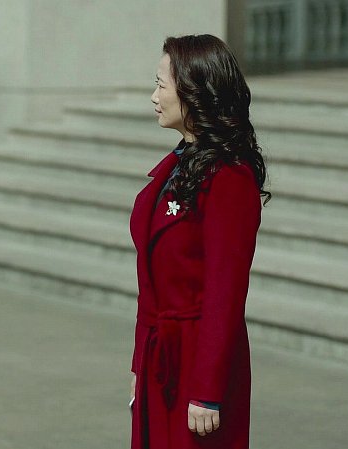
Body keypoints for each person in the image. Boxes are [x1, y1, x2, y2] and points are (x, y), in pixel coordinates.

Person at [128, 34, 270, 449]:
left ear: (193, 92)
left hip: (197, 360)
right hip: (161, 357)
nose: (154, 97)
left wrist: (208, 389)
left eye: (161, 85)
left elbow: (226, 293)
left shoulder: (229, 177)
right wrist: (139, 365)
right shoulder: (177, 165)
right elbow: (149, 285)